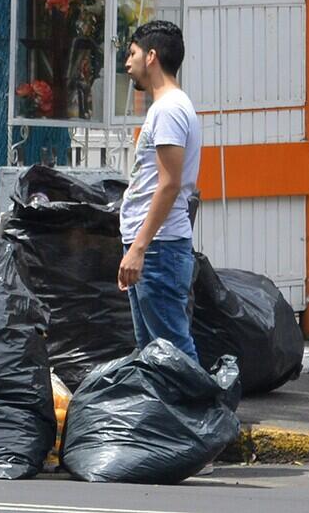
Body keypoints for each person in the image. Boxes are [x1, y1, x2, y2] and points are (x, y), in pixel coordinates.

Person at [117, 19, 203, 363]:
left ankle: (202, 415)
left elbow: (169, 185)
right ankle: (171, 416)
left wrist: (139, 248)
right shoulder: (166, 108)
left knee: (173, 353)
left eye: (132, 53)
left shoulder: (168, 110)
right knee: (153, 356)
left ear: (151, 57)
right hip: (154, 248)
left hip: (159, 250)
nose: (127, 63)